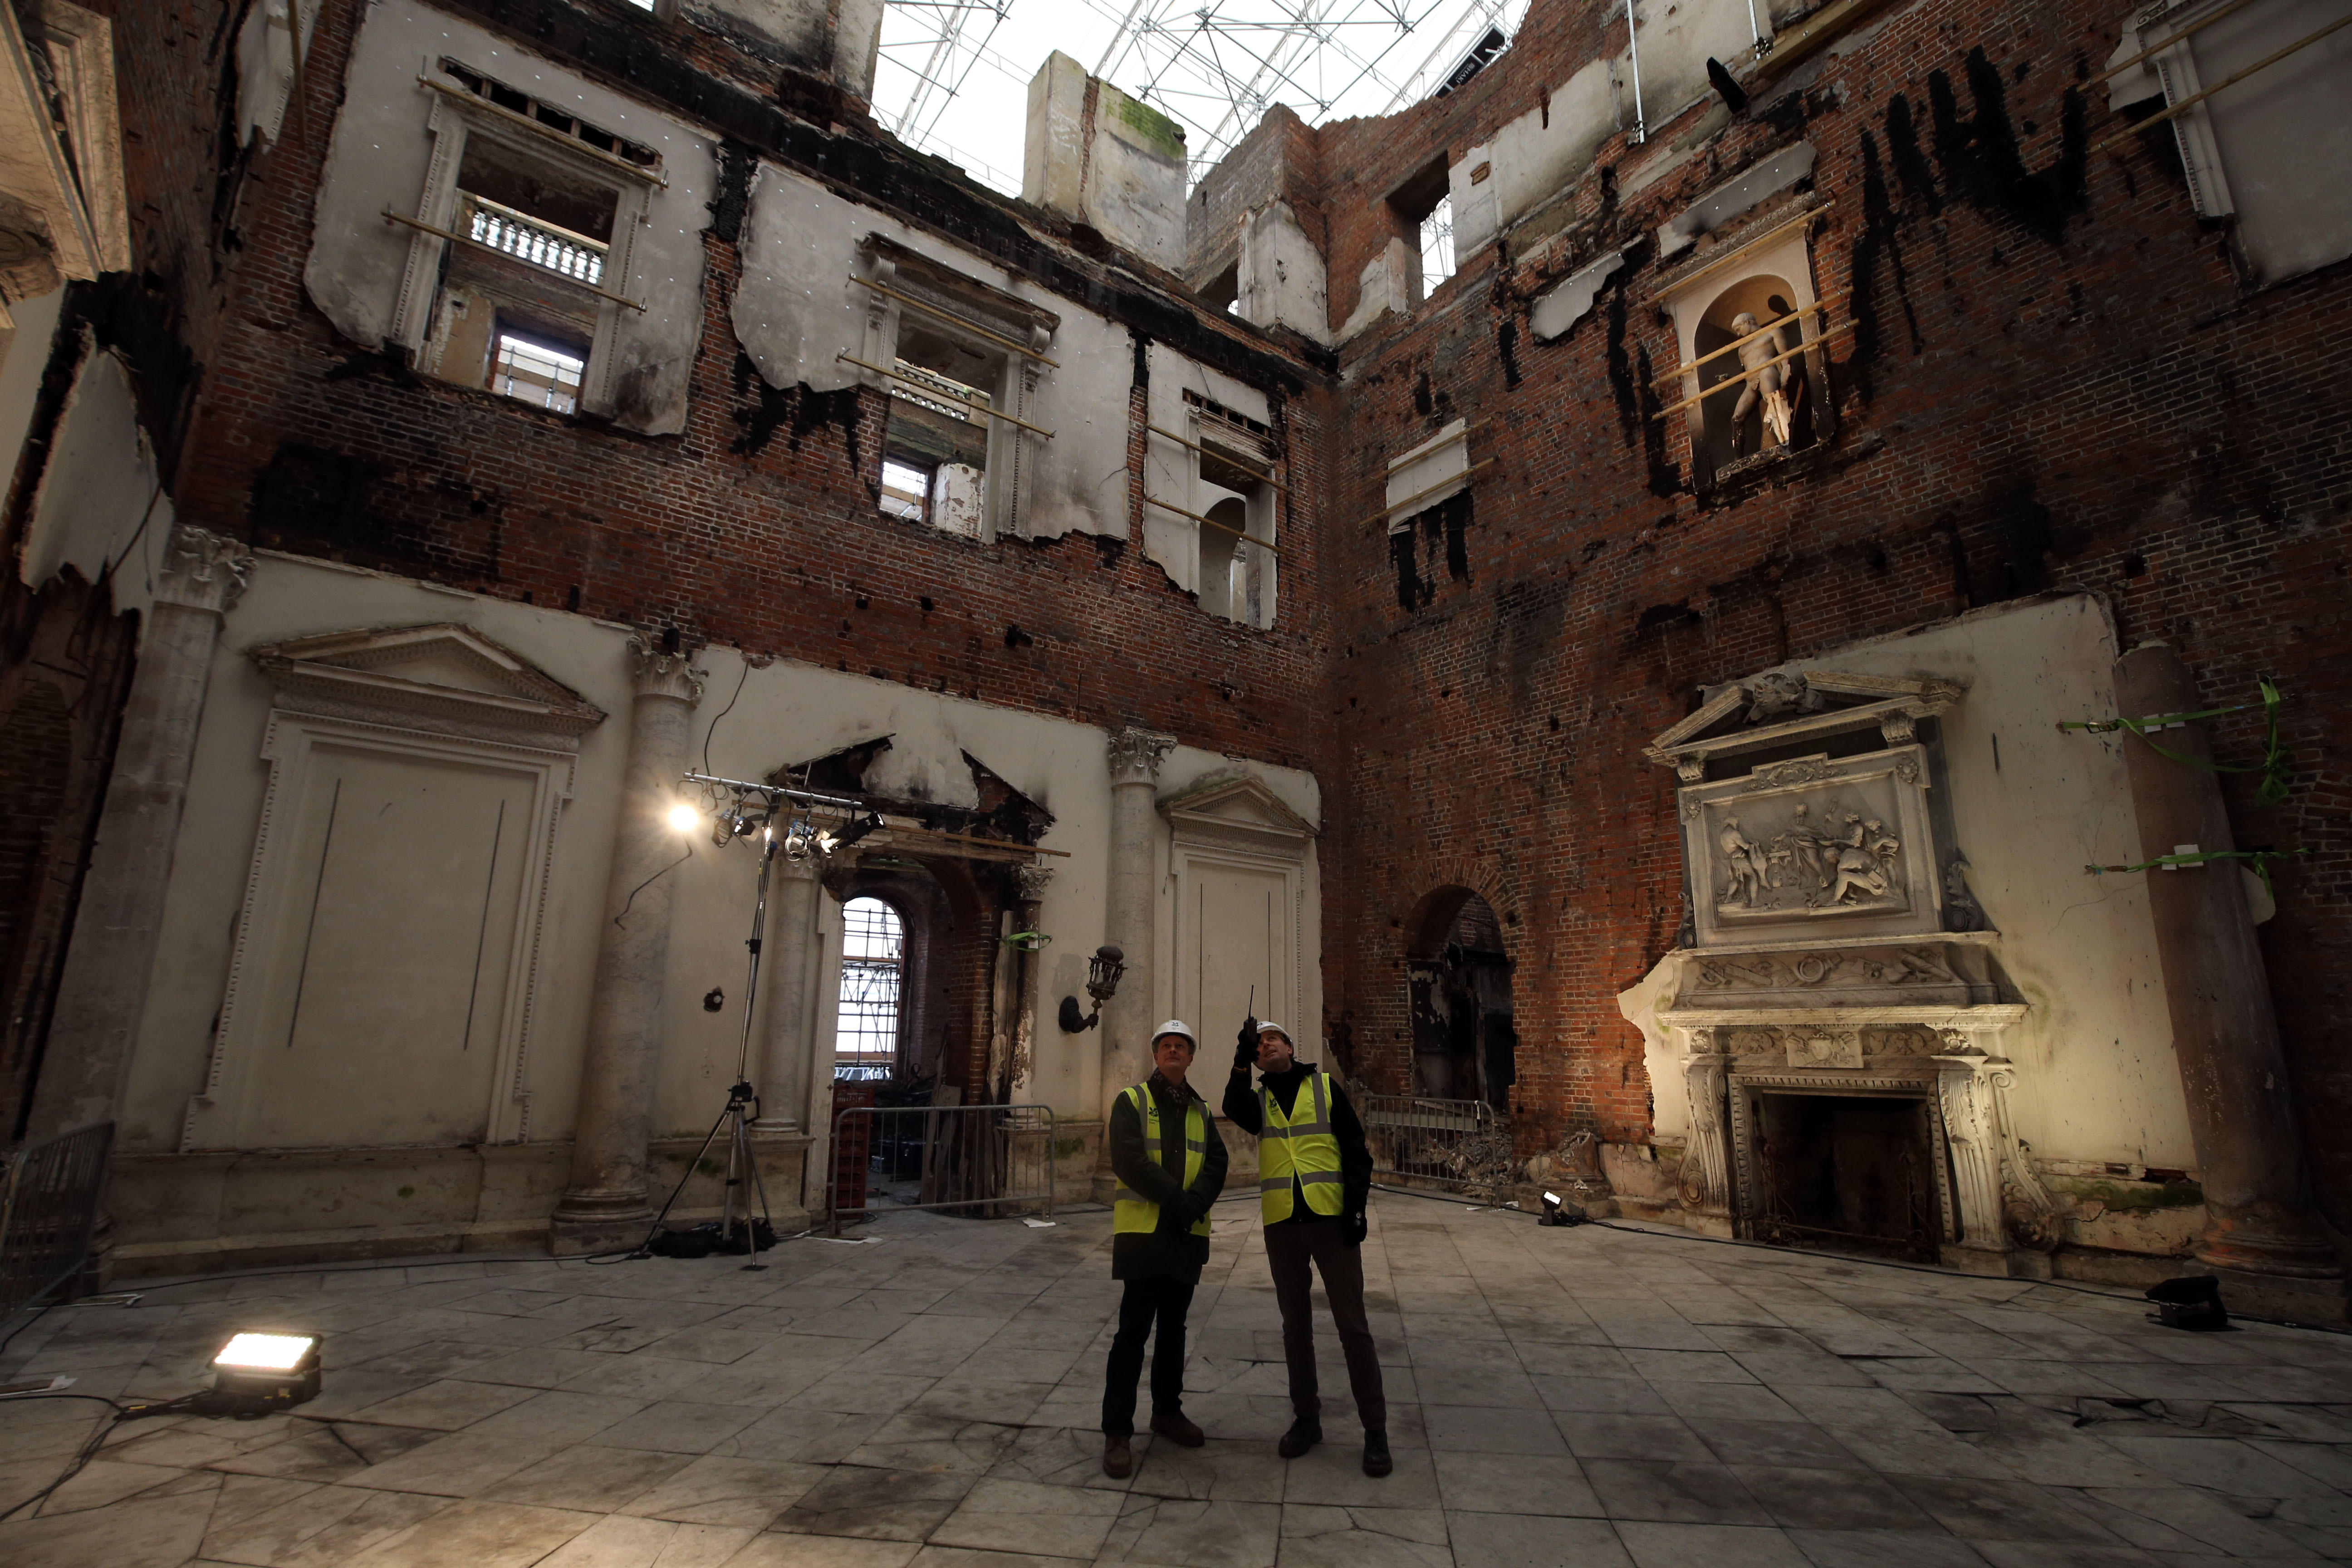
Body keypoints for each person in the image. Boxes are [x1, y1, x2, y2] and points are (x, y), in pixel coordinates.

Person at [1223, 1016, 1390, 1478]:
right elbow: (1232, 1107)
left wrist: (1356, 1209)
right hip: (1283, 1222)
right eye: (1260, 1043)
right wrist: (1239, 1061)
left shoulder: (1324, 1088)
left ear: (1291, 1048)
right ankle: (1307, 1419)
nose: (1267, 1045)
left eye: (1274, 1038)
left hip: (1328, 1218)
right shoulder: (1258, 1098)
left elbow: (1355, 1150)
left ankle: (1375, 1431)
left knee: (1353, 1326)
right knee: (1295, 1326)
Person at [1100, 1019, 1228, 1479]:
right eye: (1166, 1046)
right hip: (1145, 1235)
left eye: (1182, 1046)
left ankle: (1167, 1412)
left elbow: (1217, 1160)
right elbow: (1128, 1158)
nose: (1174, 1052)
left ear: (1191, 1058)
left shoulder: (1199, 1109)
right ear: (1156, 1055)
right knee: (1132, 1334)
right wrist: (1179, 1202)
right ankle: (1117, 1432)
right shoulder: (1131, 1101)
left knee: (1175, 1331)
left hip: (1185, 1237)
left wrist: (1194, 1204)